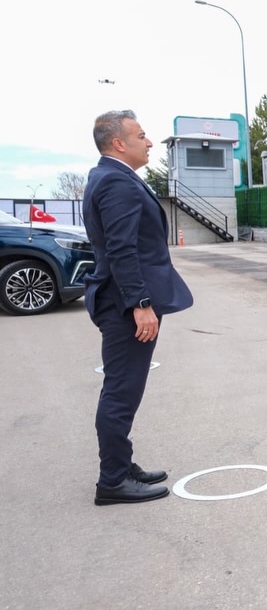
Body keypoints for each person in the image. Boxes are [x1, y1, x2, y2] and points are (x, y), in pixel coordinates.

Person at [83, 110, 193, 505]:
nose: (149, 143)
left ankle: (121, 464)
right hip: (124, 304)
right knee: (121, 390)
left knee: (125, 388)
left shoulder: (108, 175)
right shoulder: (116, 181)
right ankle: (112, 480)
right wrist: (140, 303)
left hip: (120, 298)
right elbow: (121, 248)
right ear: (118, 143)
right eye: (142, 135)